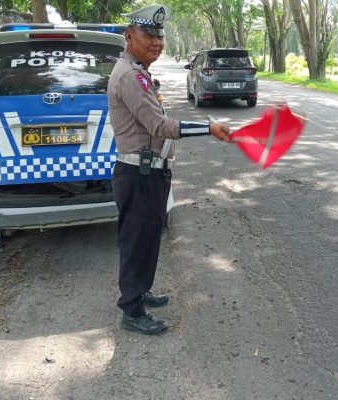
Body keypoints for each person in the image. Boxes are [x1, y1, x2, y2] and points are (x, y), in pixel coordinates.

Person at [108, 4, 232, 335]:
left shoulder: (138, 72)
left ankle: (141, 292)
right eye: (149, 35)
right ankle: (131, 311)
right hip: (138, 175)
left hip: (149, 173)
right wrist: (209, 128)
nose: (157, 42)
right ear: (130, 36)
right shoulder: (130, 77)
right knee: (136, 241)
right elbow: (160, 125)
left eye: (160, 36)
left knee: (148, 238)